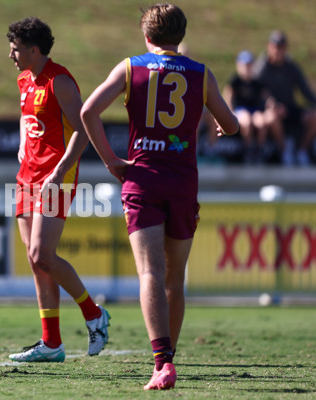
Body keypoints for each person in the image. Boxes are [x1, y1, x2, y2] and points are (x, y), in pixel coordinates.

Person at [80, 4, 238, 390]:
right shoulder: (201, 74)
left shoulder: (131, 67)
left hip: (143, 178)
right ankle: (168, 361)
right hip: (183, 182)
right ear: (180, 36)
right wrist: (218, 122)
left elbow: (88, 112)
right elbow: (232, 125)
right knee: (174, 277)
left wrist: (111, 161)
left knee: (149, 272)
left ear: (146, 36)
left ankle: (161, 361)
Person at [6, 17, 110, 362]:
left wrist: (60, 169)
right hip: (26, 176)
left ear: (34, 50)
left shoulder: (60, 81)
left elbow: (83, 130)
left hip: (55, 178)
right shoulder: (24, 78)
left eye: (16, 48)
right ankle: (51, 343)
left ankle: (94, 313)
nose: (11, 54)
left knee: (42, 255)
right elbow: (26, 118)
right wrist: (23, 144)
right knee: (37, 263)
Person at [253, 30, 316, 166]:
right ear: (269, 47)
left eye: (281, 48)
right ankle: (284, 152)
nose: (278, 51)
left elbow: (306, 91)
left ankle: (302, 150)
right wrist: (270, 104)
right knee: (272, 117)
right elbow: (256, 93)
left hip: (290, 108)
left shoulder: (291, 67)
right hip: (271, 110)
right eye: (275, 47)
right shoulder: (261, 68)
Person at [223, 50, 273, 164]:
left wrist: (271, 106)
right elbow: (228, 97)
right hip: (240, 110)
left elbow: (267, 97)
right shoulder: (235, 81)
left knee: (261, 122)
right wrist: (229, 112)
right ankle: (248, 150)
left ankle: (259, 151)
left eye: (249, 65)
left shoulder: (256, 82)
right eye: (244, 65)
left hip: (254, 110)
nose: (247, 68)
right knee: (246, 121)